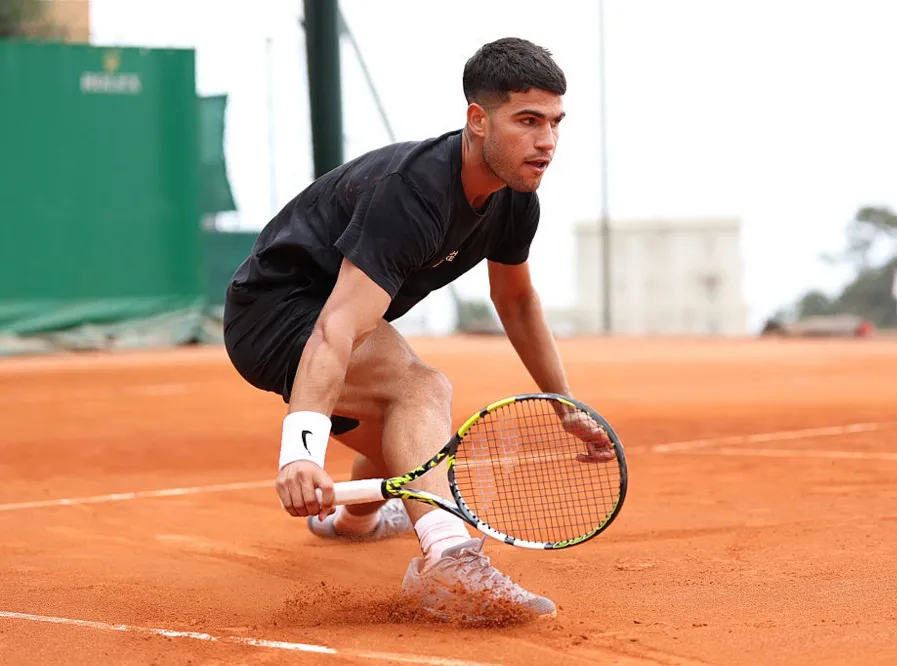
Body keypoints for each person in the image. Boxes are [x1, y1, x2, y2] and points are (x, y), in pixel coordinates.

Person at [223, 37, 610, 622]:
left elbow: (516, 298)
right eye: (527, 121)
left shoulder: (514, 199)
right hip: (275, 311)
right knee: (419, 388)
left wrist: (564, 404)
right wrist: (299, 453)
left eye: (555, 123)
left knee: (407, 446)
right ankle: (451, 559)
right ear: (477, 120)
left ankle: (355, 522)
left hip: (333, 317)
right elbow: (335, 327)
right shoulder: (413, 192)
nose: (547, 142)